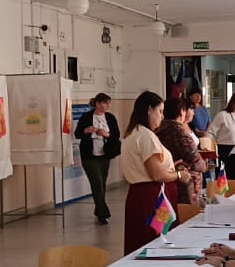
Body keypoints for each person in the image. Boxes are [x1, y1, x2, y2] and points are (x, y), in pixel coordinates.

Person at [120, 91, 191, 254]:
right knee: (156, 242)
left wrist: (170, 167)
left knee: (144, 240)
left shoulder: (134, 133)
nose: (162, 116)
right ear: (148, 110)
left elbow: (149, 167)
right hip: (153, 198)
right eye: (160, 111)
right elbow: (157, 175)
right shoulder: (146, 136)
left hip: (141, 194)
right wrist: (180, 175)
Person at [74, 92, 121, 224]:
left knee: (102, 184)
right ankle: (103, 213)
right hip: (89, 156)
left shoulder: (110, 118)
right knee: (96, 183)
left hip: (105, 155)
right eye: (105, 103)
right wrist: (86, 131)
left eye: (108, 103)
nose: (108, 106)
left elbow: (116, 134)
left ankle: (98, 209)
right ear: (98, 104)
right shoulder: (86, 117)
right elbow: (77, 134)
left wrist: (107, 134)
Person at [155, 98, 207, 206]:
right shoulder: (179, 132)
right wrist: (204, 165)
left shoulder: (158, 130)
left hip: (168, 178)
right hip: (185, 182)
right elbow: (194, 159)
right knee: (188, 212)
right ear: (181, 111)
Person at [206, 92, 235, 161]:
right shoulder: (222, 115)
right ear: (233, 103)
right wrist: (207, 147)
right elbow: (211, 132)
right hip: (224, 148)